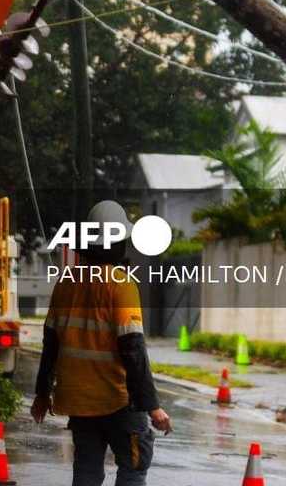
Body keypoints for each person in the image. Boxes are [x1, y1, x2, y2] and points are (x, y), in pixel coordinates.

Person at [31, 200, 171, 486]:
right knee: (133, 467)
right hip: (118, 401)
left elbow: (51, 344)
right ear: (119, 244)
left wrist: (43, 393)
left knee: (86, 472)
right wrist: (152, 405)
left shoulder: (66, 283)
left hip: (80, 403)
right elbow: (133, 349)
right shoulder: (121, 284)